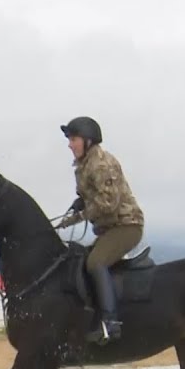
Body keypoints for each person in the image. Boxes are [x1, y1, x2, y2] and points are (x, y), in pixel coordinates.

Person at [55, 116, 146, 344]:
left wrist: (78, 217)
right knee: (81, 263)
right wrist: (80, 203)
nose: (69, 144)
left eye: (73, 139)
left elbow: (108, 204)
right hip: (109, 229)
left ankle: (110, 322)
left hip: (126, 225)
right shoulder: (83, 167)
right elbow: (90, 195)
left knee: (96, 263)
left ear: (87, 140)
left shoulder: (102, 164)